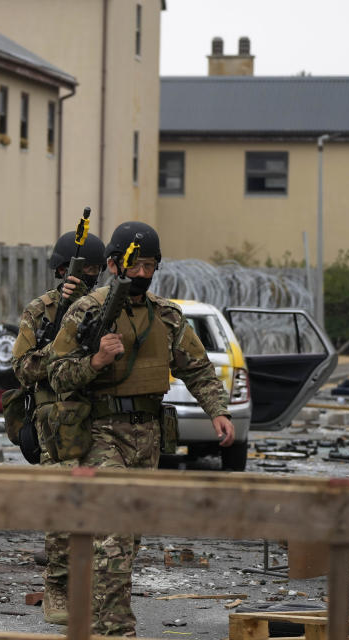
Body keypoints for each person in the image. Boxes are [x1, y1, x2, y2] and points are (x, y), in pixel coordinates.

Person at [42, 221, 235, 634]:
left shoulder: (165, 317)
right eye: (135, 265)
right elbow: (55, 374)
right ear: (114, 265)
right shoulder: (87, 311)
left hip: (147, 439)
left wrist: (219, 411)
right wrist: (94, 362)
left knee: (127, 541)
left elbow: (198, 369)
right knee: (113, 534)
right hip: (100, 433)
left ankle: (96, 617)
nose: (143, 274)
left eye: (150, 265)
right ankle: (117, 630)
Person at [12, 231, 106, 466]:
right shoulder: (39, 311)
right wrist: (60, 345)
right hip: (54, 417)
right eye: (84, 269)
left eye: (94, 270)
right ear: (63, 271)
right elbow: (22, 370)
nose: (89, 276)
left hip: (99, 415)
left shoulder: (103, 308)